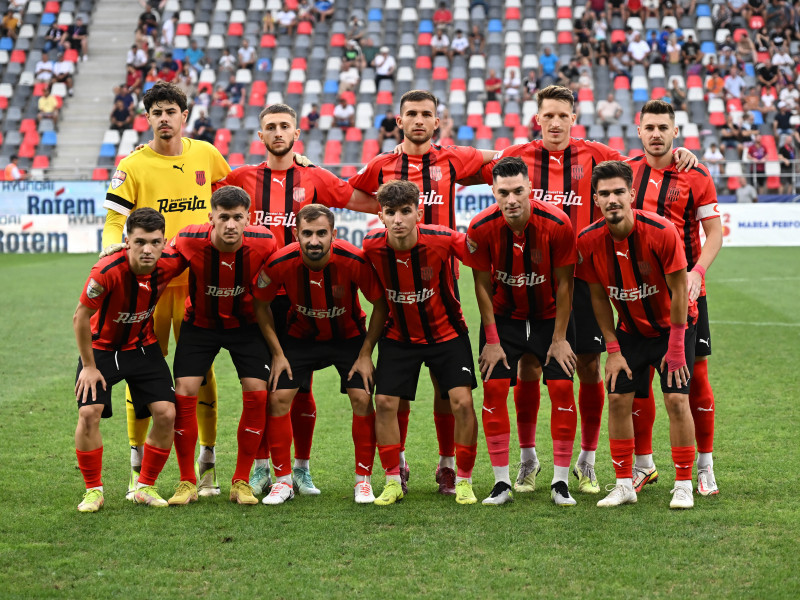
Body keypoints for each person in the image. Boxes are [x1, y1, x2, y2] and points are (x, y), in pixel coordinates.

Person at [465, 85, 698, 495]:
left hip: (585, 279)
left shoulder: (598, 155)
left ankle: (586, 462)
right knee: (528, 368)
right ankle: (527, 460)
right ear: (537, 119)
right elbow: (466, 166)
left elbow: (638, 166)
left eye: (563, 115)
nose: (555, 122)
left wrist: (679, 156)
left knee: (590, 369)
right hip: (536, 284)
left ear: (575, 118)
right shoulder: (514, 159)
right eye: (548, 115)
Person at [218, 103, 377, 496]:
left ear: (296, 134)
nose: (277, 132)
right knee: (260, 388)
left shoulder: (315, 176)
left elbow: (365, 201)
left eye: (284, 126)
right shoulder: (239, 177)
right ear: (260, 135)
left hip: (303, 296)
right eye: (269, 126)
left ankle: (300, 470)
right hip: (258, 296)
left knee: (299, 387)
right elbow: (196, 196)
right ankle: (259, 468)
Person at [349, 90, 494, 496]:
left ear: (436, 121)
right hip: (399, 297)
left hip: (442, 287)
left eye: (425, 114)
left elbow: (496, 158)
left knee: (447, 394)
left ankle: (449, 466)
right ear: (399, 120)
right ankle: (399, 465)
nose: (417, 120)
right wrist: (385, 216)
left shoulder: (453, 158)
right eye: (410, 114)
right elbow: (346, 192)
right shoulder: (381, 165)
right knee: (397, 395)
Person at [101, 82, 231, 500]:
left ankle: (207, 464)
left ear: (183, 116)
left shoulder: (206, 155)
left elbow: (233, 195)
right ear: (148, 117)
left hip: (197, 284)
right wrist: (110, 252)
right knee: (140, 371)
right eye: (156, 111)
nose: (163, 118)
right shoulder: (133, 165)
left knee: (200, 372)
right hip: (149, 289)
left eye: (171, 110)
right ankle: (137, 464)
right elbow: (114, 221)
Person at [577, 160, 698, 510]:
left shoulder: (660, 231)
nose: (612, 199)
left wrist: (676, 346)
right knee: (617, 399)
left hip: (672, 329)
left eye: (618, 192)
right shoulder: (588, 240)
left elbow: (678, 290)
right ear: (595, 199)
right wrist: (612, 349)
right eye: (604, 194)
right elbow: (599, 297)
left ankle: (684, 484)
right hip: (629, 332)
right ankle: (623, 483)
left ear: (631, 194)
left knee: (676, 400)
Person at [252, 204, 388, 504]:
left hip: (348, 338)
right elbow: (260, 305)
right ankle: (284, 481)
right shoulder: (280, 262)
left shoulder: (354, 260)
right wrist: (277, 353)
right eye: (308, 234)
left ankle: (362, 482)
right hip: (300, 338)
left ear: (333, 234)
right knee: (277, 398)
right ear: (296, 234)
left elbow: (380, 304)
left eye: (321, 233)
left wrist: (366, 353)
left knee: (363, 398)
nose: (314, 241)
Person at [465, 157, 580, 506]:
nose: (511, 199)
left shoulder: (558, 223)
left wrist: (560, 339)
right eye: (503, 193)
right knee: (494, 388)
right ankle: (501, 484)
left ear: (530, 188)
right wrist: (492, 340)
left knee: (561, 387)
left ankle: (560, 483)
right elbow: (481, 286)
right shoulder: (480, 226)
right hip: (503, 317)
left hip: (549, 317)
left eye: (518, 190)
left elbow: (565, 284)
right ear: (493, 192)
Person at [363, 180, 480, 506]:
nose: (398, 219)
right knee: (385, 402)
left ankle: (461, 476)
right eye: (391, 212)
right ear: (381, 215)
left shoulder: (443, 240)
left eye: (405, 211)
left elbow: (481, 260)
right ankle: (392, 479)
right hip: (399, 336)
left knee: (461, 402)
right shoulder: (371, 246)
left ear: (419, 213)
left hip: (447, 334)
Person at [627, 100, 722, 496]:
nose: (656, 134)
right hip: (635, 293)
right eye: (649, 127)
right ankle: (644, 465)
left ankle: (704, 466)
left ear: (675, 132)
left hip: (684, 291)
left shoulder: (695, 174)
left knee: (694, 376)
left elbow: (714, 234)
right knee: (637, 381)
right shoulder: (626, 171)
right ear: (639, 131)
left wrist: (697, 272)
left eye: (663, 127)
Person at [165, 186, 277, 506]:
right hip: (200, 325)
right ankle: (187, 481)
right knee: (184, 391)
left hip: (246, 327)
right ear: (210, 217)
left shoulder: (265, 243)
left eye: (237, 218)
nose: (230, 224)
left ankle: (240, 481)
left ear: (248, 219)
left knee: (257, 393)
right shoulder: (188, 239)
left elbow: (283, 279)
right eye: (223, 217)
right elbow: (157, 269)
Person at [72, 208, 185, 512]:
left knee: (166, 414)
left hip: (143, 347)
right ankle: (93, 490)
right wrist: (89, 366)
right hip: (102, 349)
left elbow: (197, 242)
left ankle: (145, 486)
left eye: (155, 242)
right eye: (139, 242)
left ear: (164, 243)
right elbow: (80, 317)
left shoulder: (170, 263)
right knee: (89, 413)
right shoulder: (106, 271)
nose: (147, 249)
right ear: (127, 241)